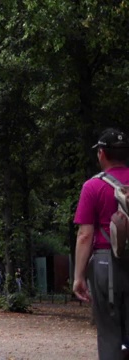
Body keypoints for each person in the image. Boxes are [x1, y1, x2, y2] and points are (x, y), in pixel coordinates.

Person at [73, 128, 129, 359]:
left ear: (102, 153)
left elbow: (85, 235)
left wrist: (79, 277)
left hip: (107, 263)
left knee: (109, 333)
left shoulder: (93, 186)